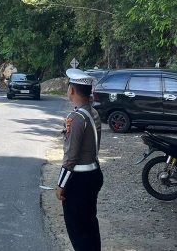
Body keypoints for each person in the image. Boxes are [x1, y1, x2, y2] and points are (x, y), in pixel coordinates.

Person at [57, 68, 103, 251]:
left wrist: (61, 185)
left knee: (77, 229)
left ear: (72, 90)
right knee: (89, 223)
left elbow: (71, 157)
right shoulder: (93, 112)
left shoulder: (76, 118)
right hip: (94, 173)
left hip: (79, 180)